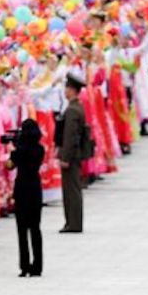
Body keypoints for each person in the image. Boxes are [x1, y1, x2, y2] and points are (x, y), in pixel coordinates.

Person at [7, 119, 45, 277]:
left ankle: (24, 265)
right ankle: (38, 266)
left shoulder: (19, 151)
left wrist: (12, 150)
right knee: (36, 229)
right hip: (35, 188)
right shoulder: (40, 149)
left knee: (22, 230)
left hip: (21, 189)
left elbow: (9, 165)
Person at [58, 74, 87, 233]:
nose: (65, 91)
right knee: (72, 189)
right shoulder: (77, 107)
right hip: (75, 154)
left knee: (71, 190)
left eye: (67, 88)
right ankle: (72, 222)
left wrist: (65, 157)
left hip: (71, 155)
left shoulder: (72, 110)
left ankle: (74, 223)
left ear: (72, 90)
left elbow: (70, 136)